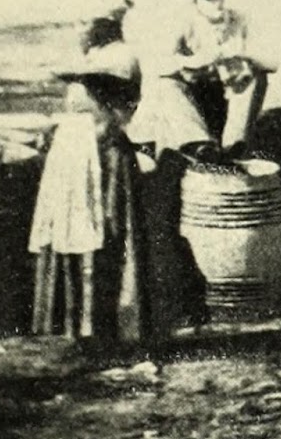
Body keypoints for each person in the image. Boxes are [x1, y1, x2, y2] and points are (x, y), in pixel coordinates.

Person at [30, 29, 178, 353]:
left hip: (101, 164)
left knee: (106, 241)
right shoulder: (97, 74)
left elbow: (121, 119)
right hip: (82, 163)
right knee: (98, 241)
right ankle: (93, 330)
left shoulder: (116, 64)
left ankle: (101, 330)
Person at [157, 0, 272, 154]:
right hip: (197, 93)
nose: (216, 3)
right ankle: (198, 143)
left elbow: (272, 62)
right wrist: (195, 62)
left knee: (257, 77)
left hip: (230, 92)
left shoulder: (239, 19)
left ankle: (234, 144)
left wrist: (242, 55)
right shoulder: (183, 21)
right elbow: (160, 63)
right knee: (165, 85)